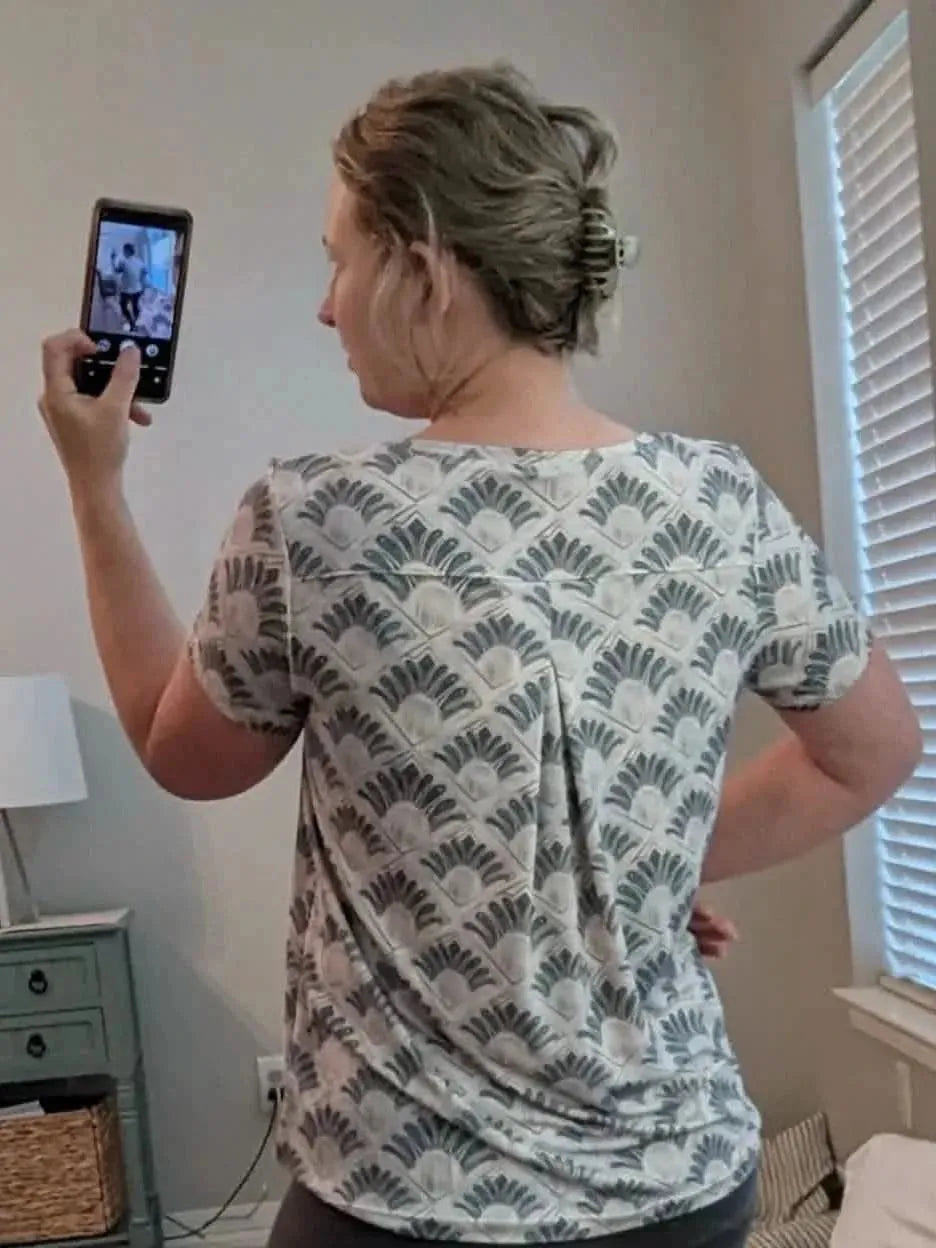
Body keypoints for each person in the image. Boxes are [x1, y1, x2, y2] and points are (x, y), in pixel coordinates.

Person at [38, 64, 921, 1248]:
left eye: (339, 262)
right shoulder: (719, 500)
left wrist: (94, 482)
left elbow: (176, 749)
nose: (327, 307)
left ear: (426, 268)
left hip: (407, 1202)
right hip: (681, 1189)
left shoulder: (319, 518)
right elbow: (873, 752)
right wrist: (635, 866)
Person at [111, 241, 147, 331]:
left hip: (126, 290)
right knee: (135, 307)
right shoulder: (140, 262)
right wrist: (141, 283)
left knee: (123, 307)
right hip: (137, 289)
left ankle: (132, 323)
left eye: (124, 250)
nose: (123, 252)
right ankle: (135, 324)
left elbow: (116, 271)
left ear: (127, 251)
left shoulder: (123, 262)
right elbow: (145, 273)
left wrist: (112, 259)